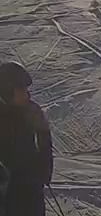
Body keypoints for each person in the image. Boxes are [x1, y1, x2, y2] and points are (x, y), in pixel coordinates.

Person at [0, 62, 53, 216]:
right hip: (7, 190)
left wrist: (45, 169)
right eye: (21, 90)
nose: (27, 94)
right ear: (7, 91)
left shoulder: (31, 110)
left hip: (31, 185)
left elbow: (45, 142)